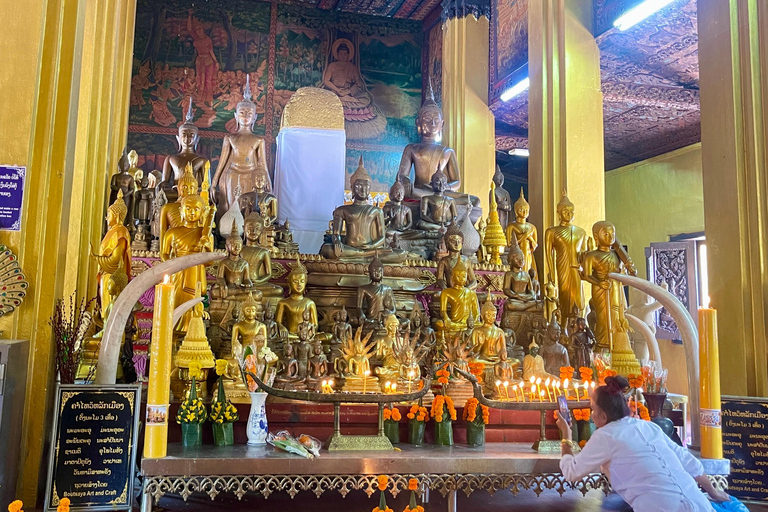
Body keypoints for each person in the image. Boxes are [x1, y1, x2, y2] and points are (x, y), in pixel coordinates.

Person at [556, 375, 729, 512]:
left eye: (592, 408)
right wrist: (713, 492)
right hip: (699, 504)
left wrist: (566, 434)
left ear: (603, 416)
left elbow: (572, 472)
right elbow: (689, 461)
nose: (591, 414)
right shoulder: (648, 427)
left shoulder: (605, 436)